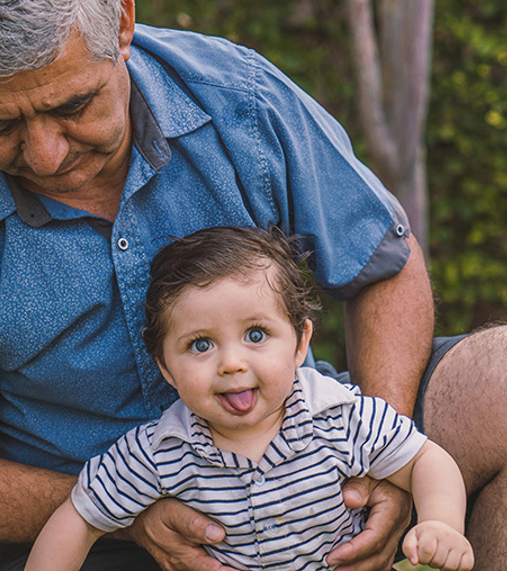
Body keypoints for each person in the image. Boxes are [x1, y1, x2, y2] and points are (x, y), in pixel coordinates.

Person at [0, 0, 507, 571]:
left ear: (123, 28)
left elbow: (382, 264)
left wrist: (378, 466)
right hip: (91, 527)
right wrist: (128, 510)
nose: (45, 154)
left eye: (73, 106)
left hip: (309, 444)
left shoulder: (239, 100)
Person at [25, 226, 474, 571]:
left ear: (300, 343)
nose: (231, 364)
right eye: (200, 345)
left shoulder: (338, 416)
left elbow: (425, 460)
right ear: (165, 366)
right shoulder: (162, 450)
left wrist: (441, 522)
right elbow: (80, 516)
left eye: (256, 335)